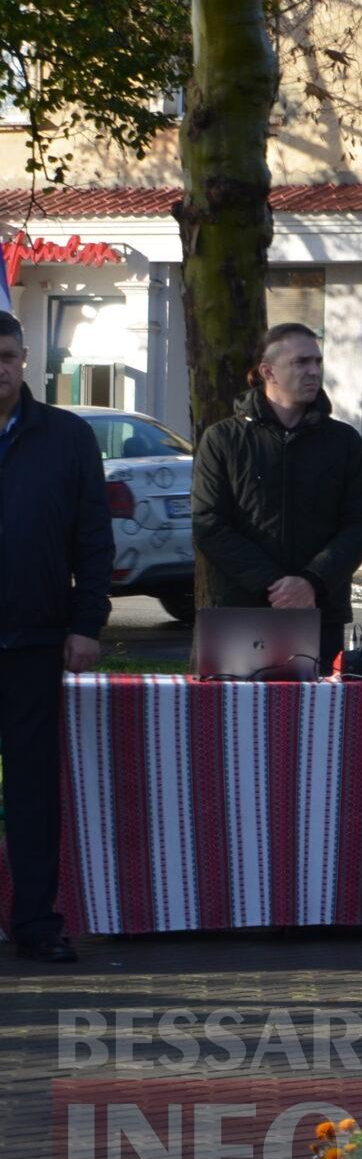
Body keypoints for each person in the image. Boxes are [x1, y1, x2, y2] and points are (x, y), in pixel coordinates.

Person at [0, 311, 109, 964]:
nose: (0, 369)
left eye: (8, 356)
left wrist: (86, 623)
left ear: (25, 360)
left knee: (35, 791)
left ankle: (36, 921)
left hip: (38, 641)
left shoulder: (67, 439)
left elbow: (93, 540)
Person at [191, 321, 362, 669]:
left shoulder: (343, 442)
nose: (313, 372)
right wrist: (273, 584)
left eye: (317, 362)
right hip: (240, 610)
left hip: (320, 612)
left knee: (315, 720)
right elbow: (209, 524)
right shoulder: (224, 440)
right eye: (301, 362)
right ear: (268, 372)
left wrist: (311, 582)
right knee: (237, 720)